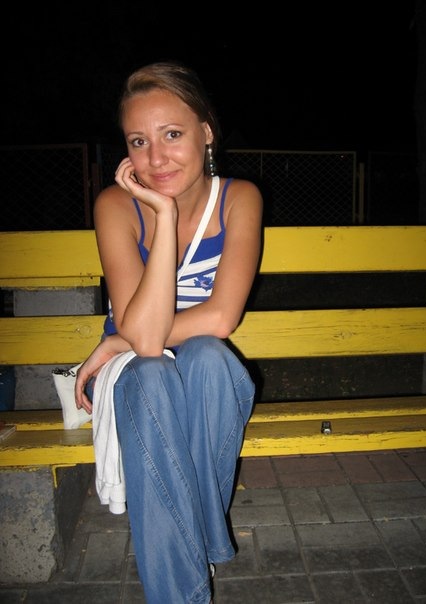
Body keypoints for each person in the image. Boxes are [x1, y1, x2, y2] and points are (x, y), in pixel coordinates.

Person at [74, 60, 263, 603]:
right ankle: (191, 576)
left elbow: (221, 319)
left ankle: (192, 543)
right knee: (155, 372)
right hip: (135, 378)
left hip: (203, 378)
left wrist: (120, 336)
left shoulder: (239, 199)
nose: (155, 159)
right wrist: (161, 216)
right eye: (139, 141)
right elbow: (147, 343)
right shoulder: (117, 206)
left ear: (206, 132)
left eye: (172, 134)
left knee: (209, 356)